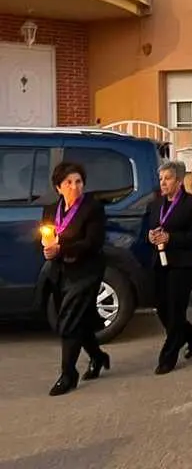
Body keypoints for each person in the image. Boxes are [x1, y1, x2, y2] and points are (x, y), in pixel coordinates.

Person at [40, 161, 111, 396]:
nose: (74, 186)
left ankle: (68, 374)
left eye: (78, 181)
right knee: (79, 321)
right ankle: (98, 356)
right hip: (61, 271)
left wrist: (62, 248)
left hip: (86, 271)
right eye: (68, 182)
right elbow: (45, 235)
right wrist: (47, 248)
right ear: (58, 187)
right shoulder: (51, 209)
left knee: (69, 322)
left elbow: (93, 242)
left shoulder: (92, 208)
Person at [148, 160, 192, 375]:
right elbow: (150, 226)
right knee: (162, 307)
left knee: (175, 308)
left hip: (184, 263)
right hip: (160, 261)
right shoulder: (156, 203)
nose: (163, 183)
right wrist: (151, 235)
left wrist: (170, 237)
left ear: (179, 181)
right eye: (161, 178)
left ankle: (168, 356)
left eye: (168, 178)